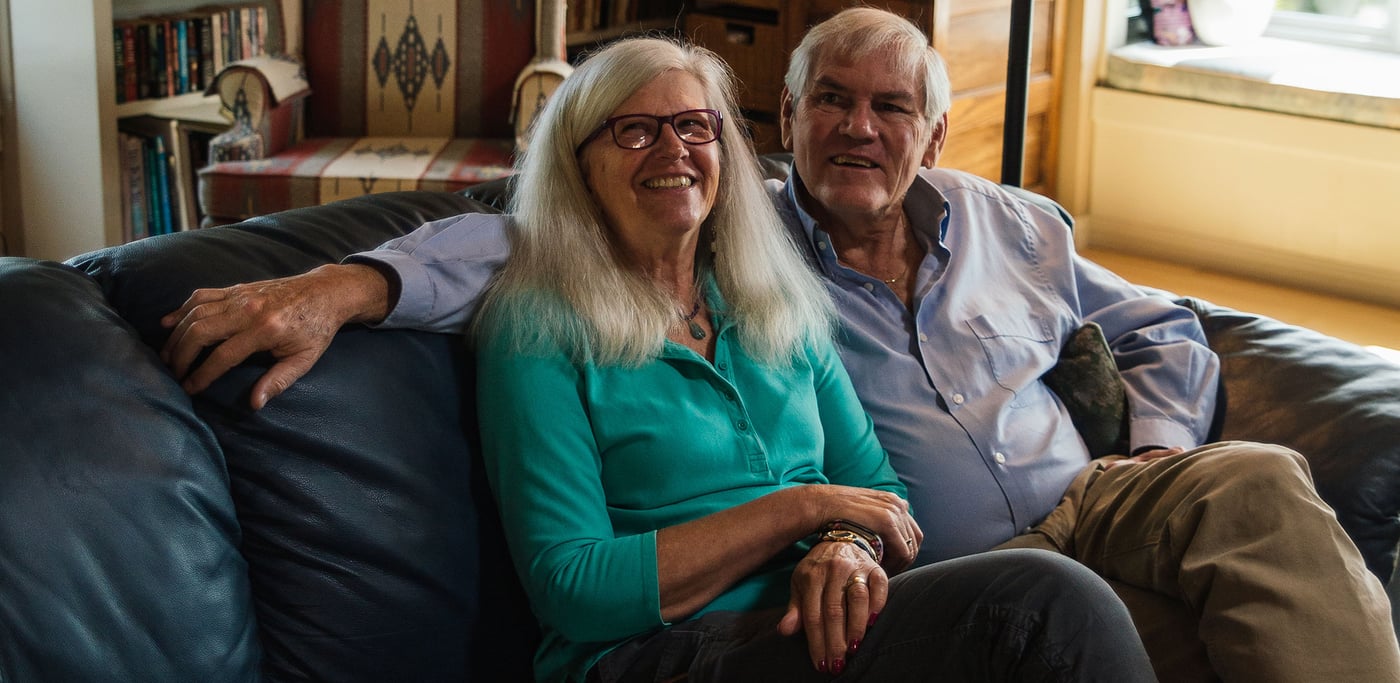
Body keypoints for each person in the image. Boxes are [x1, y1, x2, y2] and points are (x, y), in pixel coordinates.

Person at [160, 9, 1400, 682]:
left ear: (935, 127)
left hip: (1069, 507)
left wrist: (1154, 446)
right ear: (789, 117)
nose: (858, 130)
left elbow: (1159, 326)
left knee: (1258, 479)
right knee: (1073, 615)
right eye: (829, 102)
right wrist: (351, 279)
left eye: (889, 106)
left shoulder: (985, 228)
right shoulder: (716, 253)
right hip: (910, 577)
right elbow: (512, 243)